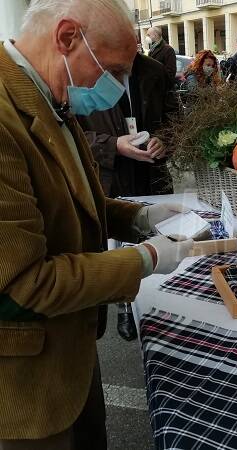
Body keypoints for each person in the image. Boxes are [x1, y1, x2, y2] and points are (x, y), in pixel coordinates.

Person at [0, 0, 193, 448]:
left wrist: (138, 216)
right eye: (113, 70)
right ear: (67, 38)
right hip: (28, 382)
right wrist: (144, 260)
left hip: (73, 349)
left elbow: (73, 200)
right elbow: (29, 281)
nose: (119, 85)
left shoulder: (49, 93)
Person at [77, 53, 177, 341]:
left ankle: (159, 306)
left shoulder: (154, 70)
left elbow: (173, 117)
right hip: (109, 175)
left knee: (157, 235)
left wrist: (164, 140)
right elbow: (76, 135)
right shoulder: (84, 72)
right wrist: (113, 145)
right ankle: (125, 305)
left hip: (151, 175)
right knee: (116, 245)